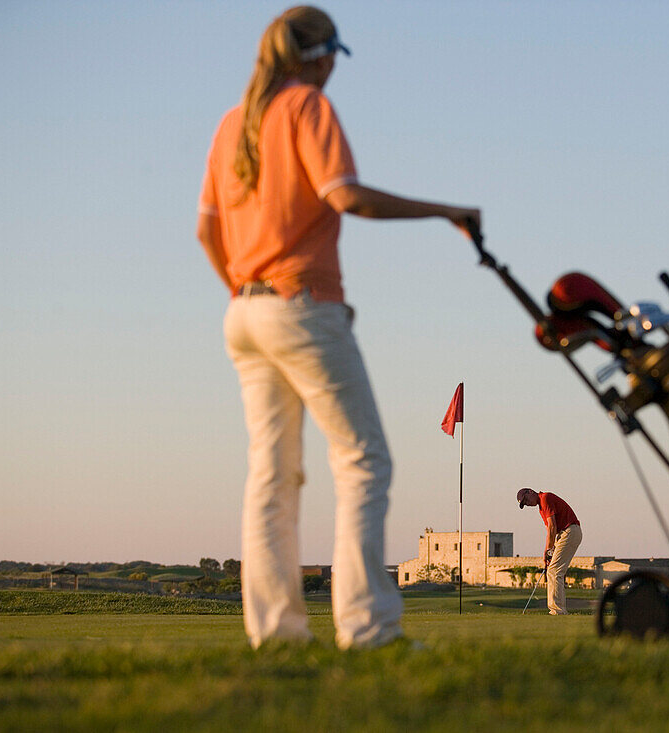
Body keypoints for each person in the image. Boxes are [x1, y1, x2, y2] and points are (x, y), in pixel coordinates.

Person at [196, 6, 481, 650]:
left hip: (243, 312)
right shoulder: (306, 107)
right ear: (318, 55)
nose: (331, 71)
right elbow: (345, 194)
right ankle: (369, 628)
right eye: (330, 58)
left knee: (272, 474)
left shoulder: (230, 123)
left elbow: (207, 231)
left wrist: (249, 297)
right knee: (363, 461)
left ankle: (276, 636)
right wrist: (446, 211)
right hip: (302, 305)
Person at [517, 487, 582, 615]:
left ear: (530, 492)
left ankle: (557, 610)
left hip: (569, 531)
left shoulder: (545, 498)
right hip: (565, 534)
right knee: (555, 570)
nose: (527, 504)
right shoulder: (541, 508)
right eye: (524, 504)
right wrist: (547, 553)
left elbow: (552, 527)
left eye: (526, 500)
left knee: (554, 570)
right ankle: (559, 609)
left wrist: (548, 551)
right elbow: (550, 531)